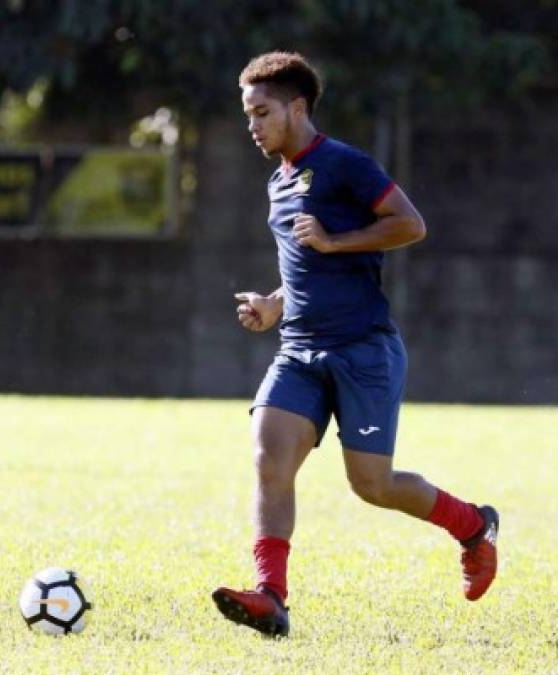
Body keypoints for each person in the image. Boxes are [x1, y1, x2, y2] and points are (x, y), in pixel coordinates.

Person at [211, 52, 498, 637]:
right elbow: (302, 268)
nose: (253, 126)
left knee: (372, 485)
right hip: (299, 348)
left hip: (364, 348)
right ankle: (271, 597)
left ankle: (472, 527)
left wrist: (338, 241)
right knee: (269, 456)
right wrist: (273, 304)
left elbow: (410, 224)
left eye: (262, 112)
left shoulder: (344, 164)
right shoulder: (279, 181)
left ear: (297, 108)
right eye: (247, 115)